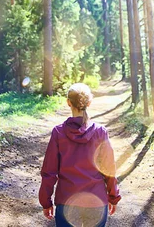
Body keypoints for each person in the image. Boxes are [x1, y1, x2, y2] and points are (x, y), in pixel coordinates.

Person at [39, 83, 121, 227]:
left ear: (68, 102)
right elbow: (109, 169)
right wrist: (113, 196)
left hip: (67, 201)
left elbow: (49, 171)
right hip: (96, 202)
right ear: (89, 103)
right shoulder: (100, 132)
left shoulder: (59, 133)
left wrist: (46, 202)